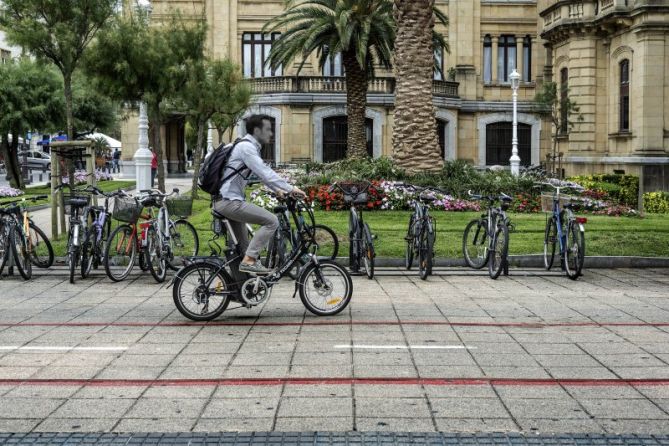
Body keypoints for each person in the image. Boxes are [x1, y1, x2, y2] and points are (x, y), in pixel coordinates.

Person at [213, 114, 306, 275]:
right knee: (272, 221)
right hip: (230, 202)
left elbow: (260, 173)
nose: (271, 134)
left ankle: (241, 290)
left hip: (225, 201)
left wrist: (277, 190)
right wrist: (291, 188)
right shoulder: (246, 148)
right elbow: (265, 172)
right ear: (257, 130)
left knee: (243, 249)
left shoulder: (247, 146)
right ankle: (249, 261)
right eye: (268, 130)